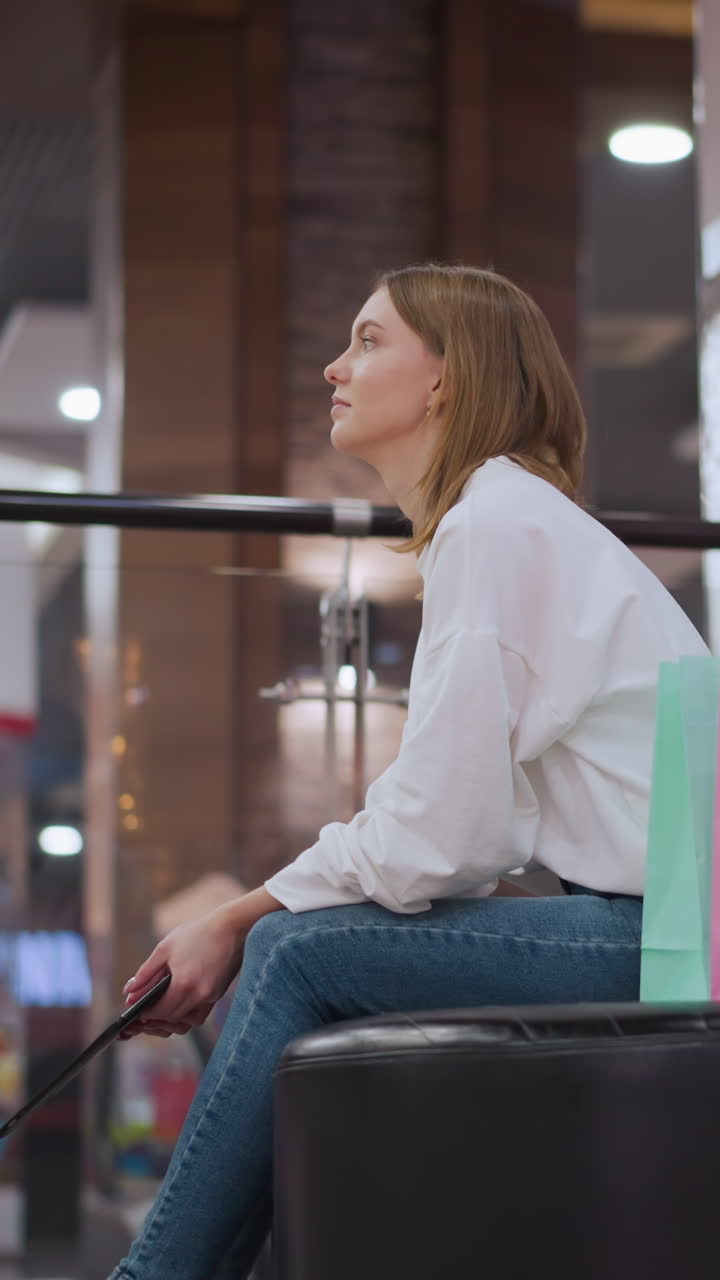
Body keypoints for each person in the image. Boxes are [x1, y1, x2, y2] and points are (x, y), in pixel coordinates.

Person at [108, 264, 708, 1280]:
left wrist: (235, 916)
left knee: (301, 954)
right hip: (664, 924)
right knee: (303, 945)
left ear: (446, 377)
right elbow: (464, 833)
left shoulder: (493, 525)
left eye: (370, 339)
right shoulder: (510, 519)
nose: (336, 367)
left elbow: (445, 839)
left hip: (665, 939)